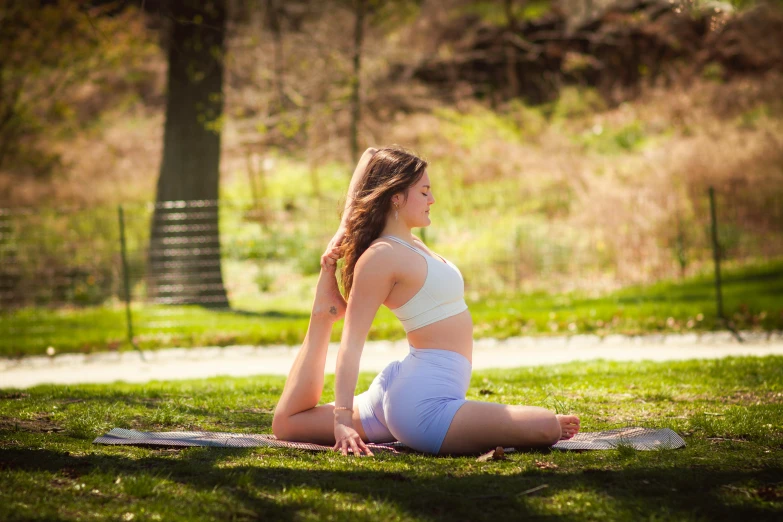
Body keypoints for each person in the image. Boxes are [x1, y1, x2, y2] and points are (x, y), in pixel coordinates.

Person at [272, 147, 580, 456]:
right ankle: (322, 315)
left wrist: (343, 227)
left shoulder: (409, 242)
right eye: (424, 191)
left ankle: (326, 312)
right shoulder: (381, 257)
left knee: (288, 425)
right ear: (396, 196)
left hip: (403, 384)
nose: (431, 200)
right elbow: (352, 345)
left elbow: (369, 155)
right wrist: (341, 420)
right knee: (544, 426)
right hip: (421, 406)